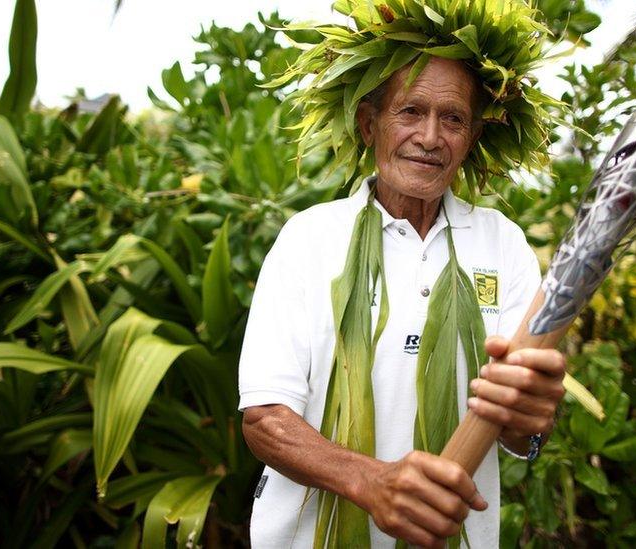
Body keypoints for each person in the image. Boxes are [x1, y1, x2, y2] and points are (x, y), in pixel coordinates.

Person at [239, 2, 568, 547]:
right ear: (370, 125)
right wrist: (370, 480)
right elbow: (265, 418)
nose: (431, 136)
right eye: (410, 111)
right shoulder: (309, 238)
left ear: (472, 137)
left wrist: (533, 420)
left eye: (453, 118)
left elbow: (520, 429)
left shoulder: (501, 243)